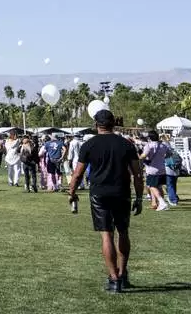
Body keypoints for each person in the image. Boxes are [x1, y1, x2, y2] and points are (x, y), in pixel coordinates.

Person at [69, 108, 145, 294]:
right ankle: (122, 273)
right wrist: (140, 197)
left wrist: (71, 192)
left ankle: (113, 279)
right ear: (114, 124)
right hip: (122, 192)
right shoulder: (126, 144)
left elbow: (78, 174)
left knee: (106, 235)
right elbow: (137, 174)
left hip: (99, 194)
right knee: (123, 232)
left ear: (96, 125)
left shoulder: (89, 144)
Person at [139, 130, 171, 211]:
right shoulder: (163, 145)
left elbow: (144, 155)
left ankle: (162, 202)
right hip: (162, 168)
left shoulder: (149, 146)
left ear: (149, 138)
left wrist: (138, 157)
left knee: (152, 186)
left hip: (152, 169)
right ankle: (160, 204)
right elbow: (169, 154)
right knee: (159, 186)